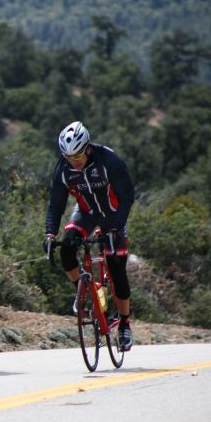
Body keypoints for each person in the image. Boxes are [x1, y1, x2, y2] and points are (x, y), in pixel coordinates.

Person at [44, 121, 135, 350]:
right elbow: (56, 204)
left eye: (77, 155)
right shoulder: (64, 169)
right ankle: (83, 290)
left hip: (112, 214)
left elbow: (126, 197)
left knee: (115, 266)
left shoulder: (108, 161)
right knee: (66, 248)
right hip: (85, 212)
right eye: (68, 157)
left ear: (87, 149)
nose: (73, 161)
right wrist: (49, 233)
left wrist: (115, 227)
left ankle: (124, 324)